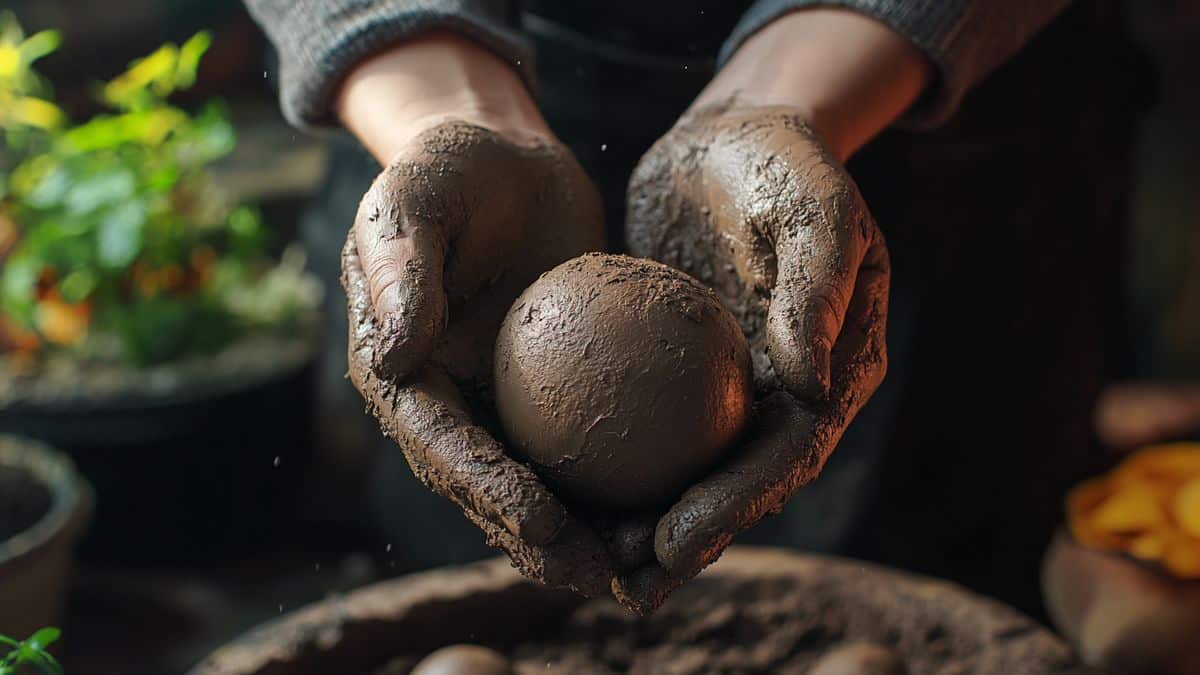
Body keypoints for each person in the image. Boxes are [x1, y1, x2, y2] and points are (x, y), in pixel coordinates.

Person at [243, 0, 1147, 613]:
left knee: (935, 585)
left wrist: (789, 94)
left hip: (934, 107)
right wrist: (442, 103)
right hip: (465, 199)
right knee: (490, 606)